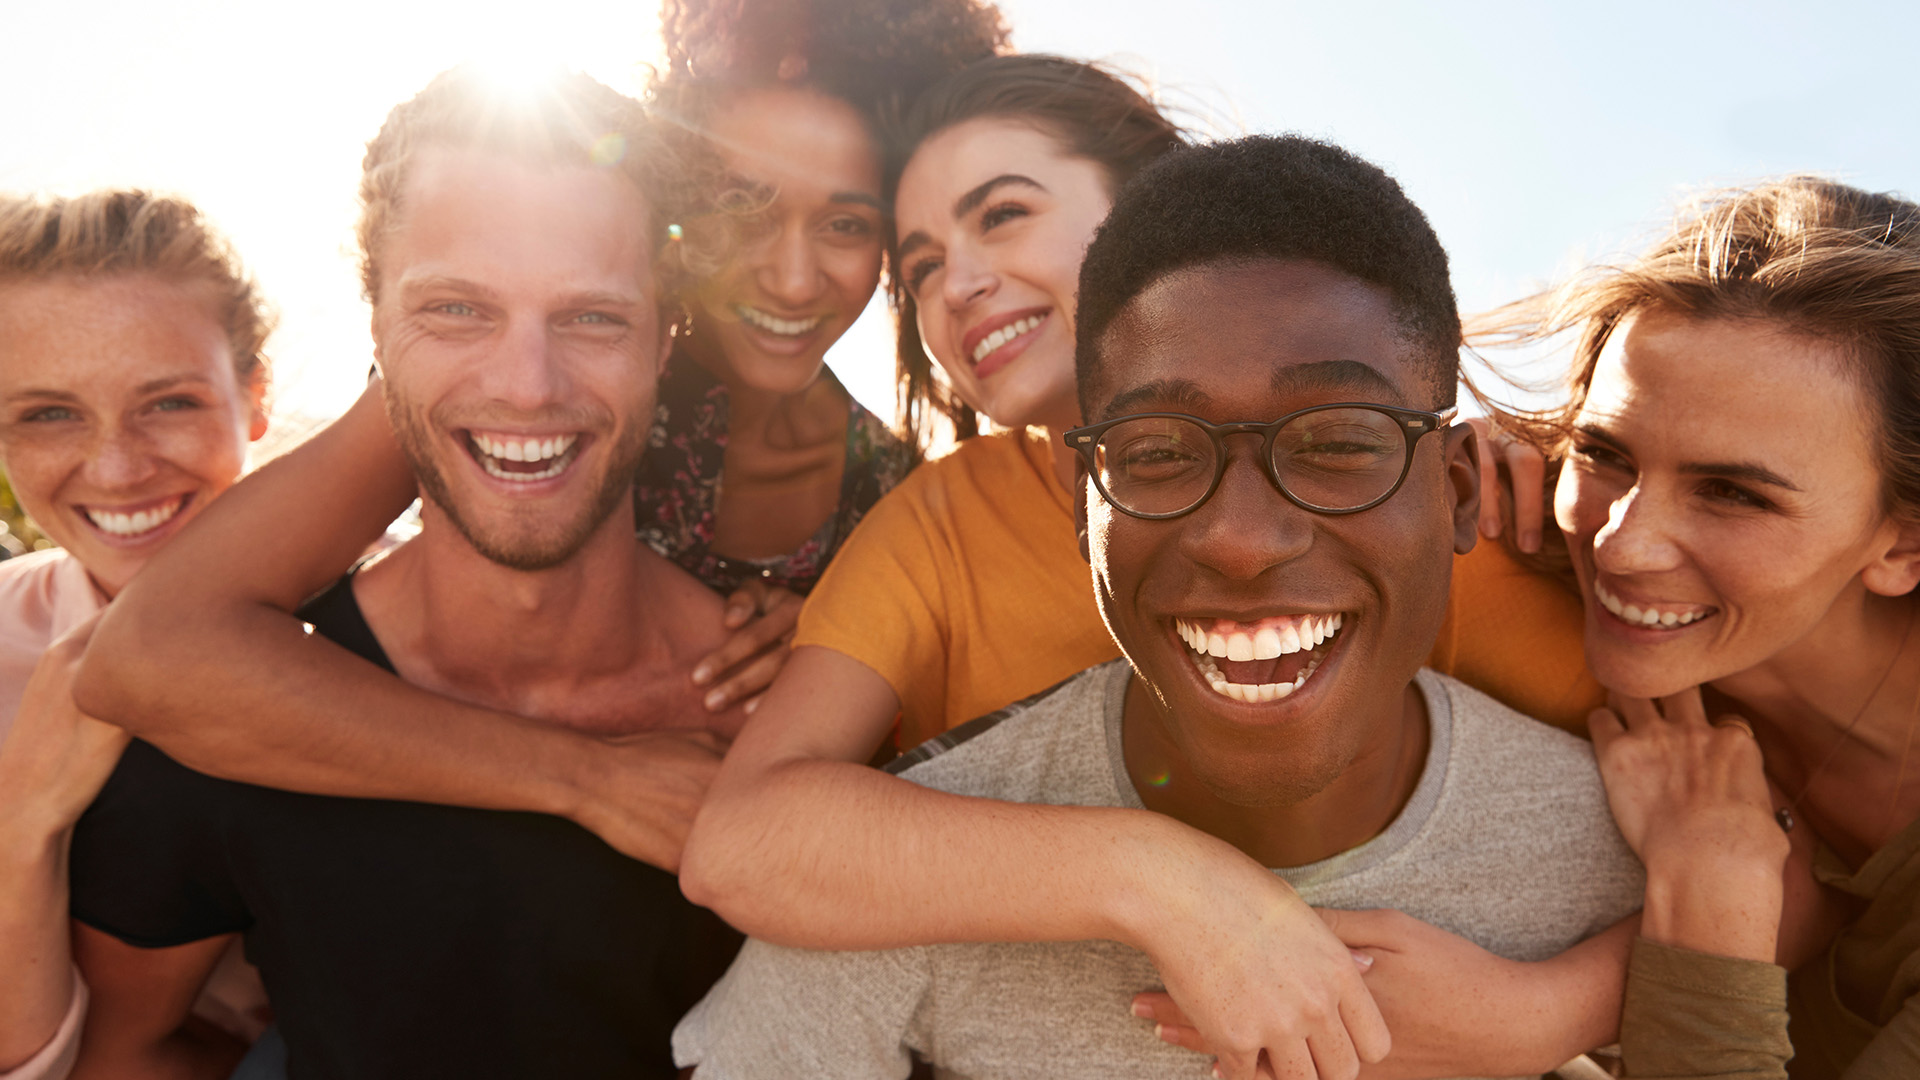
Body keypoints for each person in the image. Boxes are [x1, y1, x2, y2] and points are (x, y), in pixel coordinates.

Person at [679, 56, 1640, 1079]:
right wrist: (1165, 881)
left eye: (1001, 215)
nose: (955, 282)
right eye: (916, 268)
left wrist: (1547, 1014)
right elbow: (750, 837)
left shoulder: (1462, 525)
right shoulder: (941, 523)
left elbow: (1732, 850)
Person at [63, 67, 745, 1078]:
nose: (527, 385)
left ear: (665, 338)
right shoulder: (235, 729)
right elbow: (128, 1048)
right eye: (457, 310)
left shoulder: (780, 719)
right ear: (376, 328)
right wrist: (587, 783)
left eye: (593, 317)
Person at [1466, 176, 1920, 1079]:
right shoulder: (1536, 549)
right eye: (1605, 453)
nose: (1622, 547)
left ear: (1902, 545)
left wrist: (1713, 892)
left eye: (1733, 493)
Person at [0, 190, 273, 1080]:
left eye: (168, 403)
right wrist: (25, 818)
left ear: (254, 400)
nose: (117, 468)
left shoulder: (405, 611)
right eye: (48, 413)